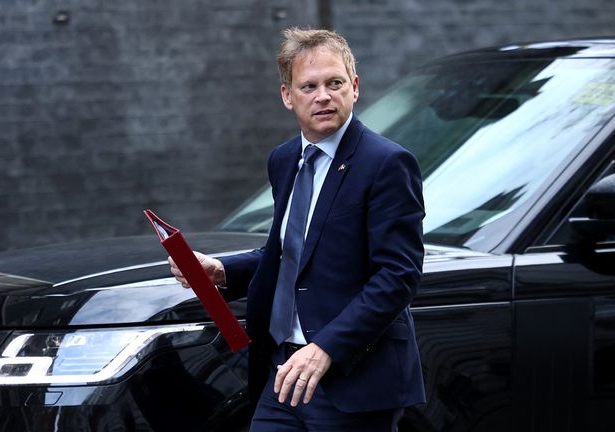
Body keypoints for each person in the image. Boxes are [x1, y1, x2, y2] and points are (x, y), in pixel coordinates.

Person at [170, 27, 425, 431]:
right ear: (288, 96)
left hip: (352, 380)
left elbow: (399, 275)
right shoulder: (284, 159)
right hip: (283, 371)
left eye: (335, 83)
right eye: (309, 86)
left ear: (354, 87)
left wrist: (326, 347)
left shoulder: (387, 164)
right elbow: (293, 251)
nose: (323, 95)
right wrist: (221, 269)